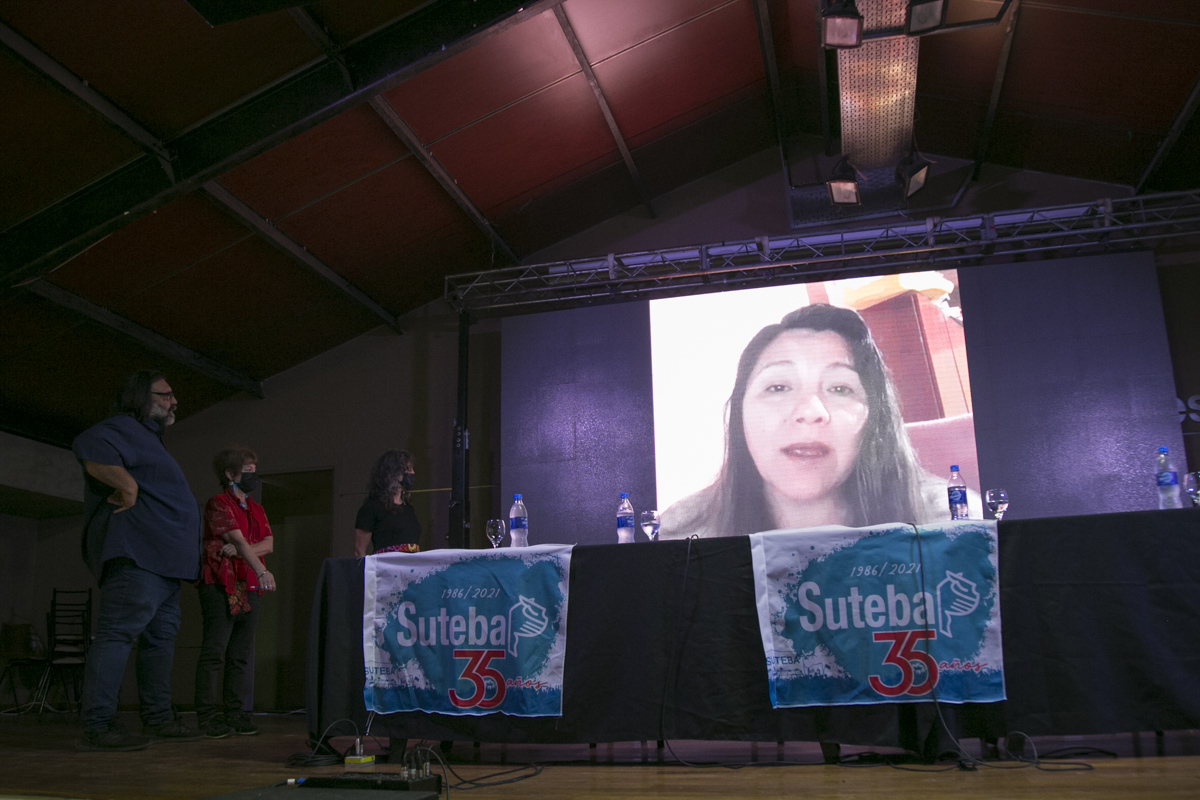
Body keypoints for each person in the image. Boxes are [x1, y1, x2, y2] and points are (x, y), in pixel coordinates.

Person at [660, 304, 951, 539]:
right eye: (778, 387)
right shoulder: (680, 533)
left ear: (875, 417)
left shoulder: (950, 523)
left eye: (840, 389)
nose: (810, 411)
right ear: (740, 414)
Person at [72, 370, 203, 751]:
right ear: (139, 397)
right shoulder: (123, 427)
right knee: (117, 636)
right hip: (138, 557)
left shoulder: (149, 440)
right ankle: (97, 725)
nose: (173, 401)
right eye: (165, 395)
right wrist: (126, 484)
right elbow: (87, 441)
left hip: (165, 565)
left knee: (159, 643)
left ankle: (158, 718)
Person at [194, 448, 277, 738]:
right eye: (248, 470)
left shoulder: (256, 509)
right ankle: (207, 715)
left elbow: (268, 544)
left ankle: (235, 713)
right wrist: (261, 569)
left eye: (255, 469)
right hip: (221, 583)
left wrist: (242, 552)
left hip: (248, 585)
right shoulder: (219, 503)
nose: (254, 474)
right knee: (215, 651)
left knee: (240, 654)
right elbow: (238, 540)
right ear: (230, 474)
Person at [354, 450, 421, 557]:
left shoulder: (407, 507)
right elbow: (359, 551)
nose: (412, 473)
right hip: (386, 566)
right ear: (393, 473)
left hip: (411, 565)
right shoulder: (372, 507)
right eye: (408, 469)